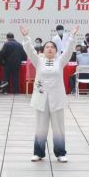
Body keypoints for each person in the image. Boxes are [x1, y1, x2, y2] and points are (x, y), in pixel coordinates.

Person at [20, 26, 71, 162]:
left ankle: (60, 153)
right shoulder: (39, 61)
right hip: (41, 99)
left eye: (52, 47)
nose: (49, 49)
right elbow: (29, 50)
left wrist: (72, 37)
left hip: (57, 99)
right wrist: (26, 37)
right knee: (40, 127)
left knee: (58, 128)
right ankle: (38, 152)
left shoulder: (60, 61)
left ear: (56, 50)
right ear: (43, 50)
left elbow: (69, 50)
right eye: (47, 47)